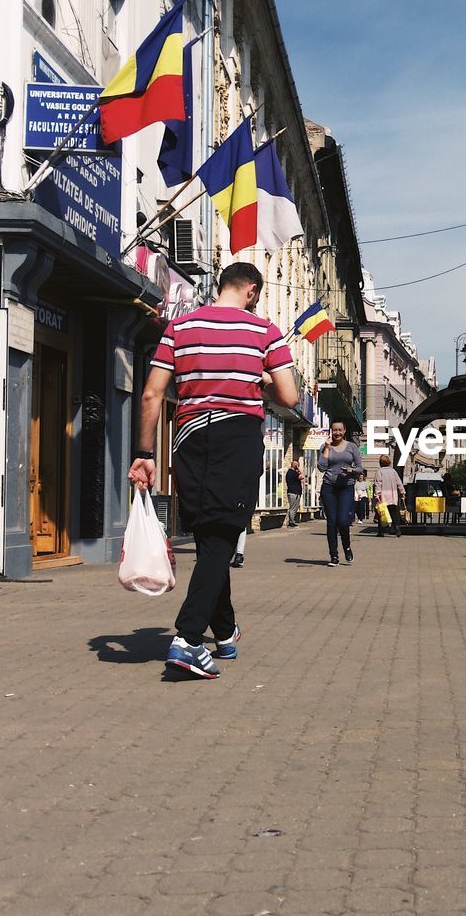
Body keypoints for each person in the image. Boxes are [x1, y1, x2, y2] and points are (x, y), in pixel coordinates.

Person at [129, 262, 298, 680]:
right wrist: (259, 380)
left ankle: (223, 632)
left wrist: (144, 453)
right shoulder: (263, 331)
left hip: (187, 435)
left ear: (220, 285)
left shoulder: (179, 328)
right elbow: (290, 396)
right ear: (253, 291)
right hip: (236, 436)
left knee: (209, 535)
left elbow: (152, 393)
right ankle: (187, 640)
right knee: (223, 533)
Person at [317, 420, 363, 566]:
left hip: (346, 487)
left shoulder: (351, 447)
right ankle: (334, 556)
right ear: (331, 431)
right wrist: (327, 448)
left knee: (343, 521)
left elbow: (360, 468)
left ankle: (347, 547)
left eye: (339, 430)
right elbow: (321, 467)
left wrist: (351, 470)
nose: (337, 433)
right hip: (329, 487)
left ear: (344, 431)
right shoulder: (325, 447)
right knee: (332, 522)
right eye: (334, 430)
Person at [374, 454, 405, 538]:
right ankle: (397, 528)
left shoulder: (379, 471)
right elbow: (399, 483)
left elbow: (378, 484)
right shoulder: (393, 471)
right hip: (393, 495)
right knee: (395, 513)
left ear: (380, 462)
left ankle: (381, 531)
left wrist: (377, 494)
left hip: (383, 496)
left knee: (382, 513)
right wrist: (402, 492)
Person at [285, 459, 304, 526]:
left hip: (294, 492)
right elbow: (302, 476)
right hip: (294, 492)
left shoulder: (291, 472)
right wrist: (299, 470)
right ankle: (291, 522)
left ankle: (291, 521)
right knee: (293, 508)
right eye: (297, 464)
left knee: (294, 508)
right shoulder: (292, 472)